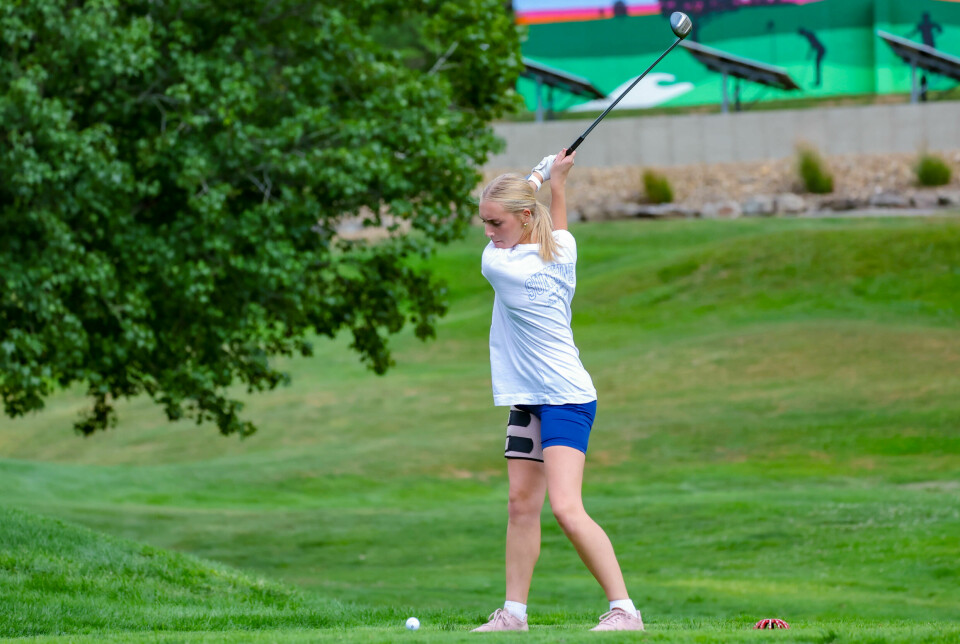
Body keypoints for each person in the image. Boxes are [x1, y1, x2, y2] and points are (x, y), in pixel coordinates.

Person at [471, 149, 644, 632]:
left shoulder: (503, 267)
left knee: (567, 508)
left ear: (525, 217)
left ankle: (625, 611)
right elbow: (557, 223)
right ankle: (514, 614)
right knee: (521, 505)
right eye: (484, 223)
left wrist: (539, 173)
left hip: (565, 395)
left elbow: (536, 215)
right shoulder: (562, 249)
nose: (488, 233)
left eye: (495, 222)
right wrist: (557, 182)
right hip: (530, 397)